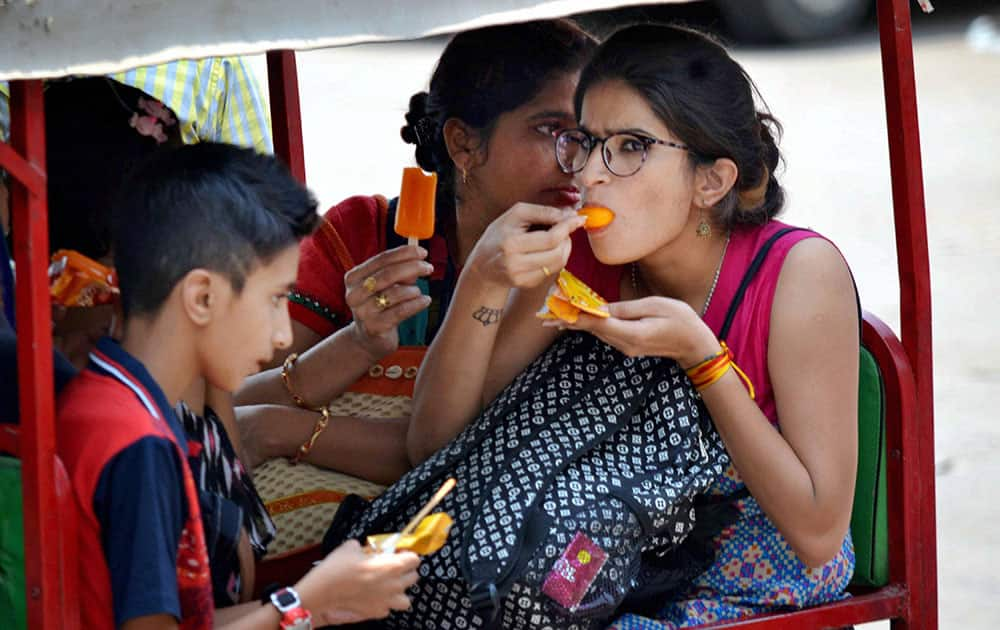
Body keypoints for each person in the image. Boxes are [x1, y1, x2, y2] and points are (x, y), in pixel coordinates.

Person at [407, 24, 859, 626]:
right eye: (586, 141)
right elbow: (440, 446)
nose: (587, 174)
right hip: (606, 555)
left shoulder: (799, 275)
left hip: (748, 570)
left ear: (711, 180)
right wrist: (482, 281)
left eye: (630, 147)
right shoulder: (583, 257)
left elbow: (818, 533)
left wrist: (703, 358)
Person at [56, 143, 421, 630]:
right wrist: (302, 602)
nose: (282, 334)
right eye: (274, 300)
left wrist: (326, 601)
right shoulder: (135, 443)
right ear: (202, 297)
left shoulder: (120, 398)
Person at [233, 19, 598, 481]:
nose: (578, 161)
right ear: (464, 145)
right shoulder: (363, 236)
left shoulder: (588, 260)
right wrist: (359, 343)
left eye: (589, 137)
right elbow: (232, 403)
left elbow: (462, 449)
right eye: (551, 130)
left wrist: (280, 429)